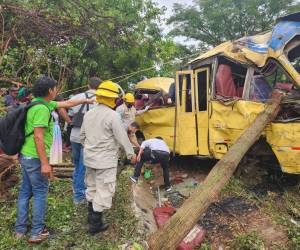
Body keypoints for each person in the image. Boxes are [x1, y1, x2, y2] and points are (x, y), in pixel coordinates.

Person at [15, 76, 94, 244]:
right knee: (40, 193)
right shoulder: (42, 109)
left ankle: (20, 230)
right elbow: (38, 137)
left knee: (24, 192)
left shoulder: (40, 103)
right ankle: (37, 232)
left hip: (26, 156)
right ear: (50, 91)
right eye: (55, 88)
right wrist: (45, 164)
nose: (57, 91)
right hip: (35, 158)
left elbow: (69, 104)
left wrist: (93, 98)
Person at [80, 80, 137, 235]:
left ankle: (91, 218)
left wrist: (91, 149)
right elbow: (122, 138)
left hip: (90, 159)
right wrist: (131, 154)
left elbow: (82, 137)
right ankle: (95, 225)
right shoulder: (112, 116)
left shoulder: (89, 114)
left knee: (91, 187)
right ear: (113, 99)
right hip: (105, 161)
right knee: (104, 190)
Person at [69, 77, 102, 204]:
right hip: (88, 137)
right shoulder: (100, 100)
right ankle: (78, 196)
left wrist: (68, 121)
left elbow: (62, 107)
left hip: (74, 135)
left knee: (77, 164)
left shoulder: (78, 96)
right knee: (83, 167)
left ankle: (76, 188)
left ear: (88, 85)